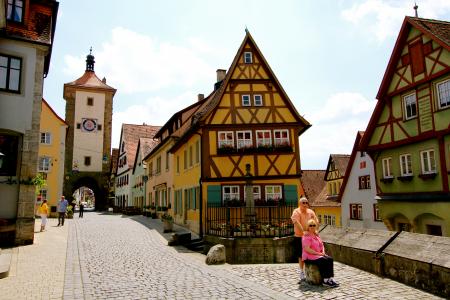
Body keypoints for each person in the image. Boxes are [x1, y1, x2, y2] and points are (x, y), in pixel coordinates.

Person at [302, 219, 339, 287]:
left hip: (317, 255)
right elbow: (307, 249)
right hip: (309, 256)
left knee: (330, 259)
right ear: (308, 227)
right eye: (310, 225)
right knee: (324, 260)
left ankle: (330, 278)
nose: (312, 227)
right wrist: (319, 254)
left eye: (314, 225)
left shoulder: (316, 235)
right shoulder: (306, 236)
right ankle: (325, 280)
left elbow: (322, 245)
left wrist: (323, 252)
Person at [291, 196, 319, 282]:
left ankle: (310, 270)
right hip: (299, 236)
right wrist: (303, 231)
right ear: (299, 204)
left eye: (306, 203)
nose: (305, 204)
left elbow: (316, 221)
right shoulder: (296, 211)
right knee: (300, 255)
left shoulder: (310, 212)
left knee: (311, 253)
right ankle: (301, 271)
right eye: (303, 203)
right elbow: (297, 222)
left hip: (310, 236)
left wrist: (316, 230)